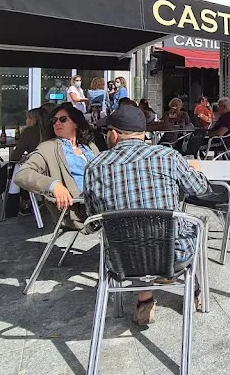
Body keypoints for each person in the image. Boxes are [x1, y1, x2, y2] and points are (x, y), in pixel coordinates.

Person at [83, 104, 211, 325]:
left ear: (113, 134)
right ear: (144, 134)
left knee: (130, 235)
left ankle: (145, 302)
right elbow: (200, 189)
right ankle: (193, 290)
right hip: (173, 255)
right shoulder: (168, 156)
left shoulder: (95, 166)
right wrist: (195, 172)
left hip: (120, 261)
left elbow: (93, 218)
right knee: (195, 226)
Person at [14, 103, 99, 229]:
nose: (57, 123)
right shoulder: (48, 147)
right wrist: (53, 185)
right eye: (54, 121)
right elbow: (22, 175)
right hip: (79, 207)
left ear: (76, 123)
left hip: (102, 198)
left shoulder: (89, 146)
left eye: (63, 119)